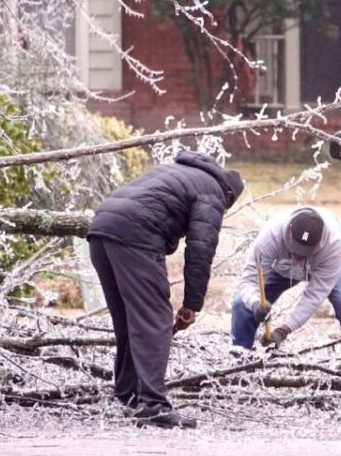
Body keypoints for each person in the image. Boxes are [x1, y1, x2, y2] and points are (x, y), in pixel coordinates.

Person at [86, 150, 243, 429]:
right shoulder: (213, 192)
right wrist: (192, 304)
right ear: (229, 196)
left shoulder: (176, 171)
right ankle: (153, 405)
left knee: (128, 320)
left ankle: (126, 396)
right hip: (135, 234)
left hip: (101, 228)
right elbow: (200, 249)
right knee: (156, 319)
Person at [230, 207, 341, 372]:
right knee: (242, 304)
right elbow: (249, 281)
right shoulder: (271, 236)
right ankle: (240, 368)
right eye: (296, 251)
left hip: (326, 263)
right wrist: (255, 303)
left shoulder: (333, 244)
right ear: (289, 233)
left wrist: (284, 330)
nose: (299, 257)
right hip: (284, 265)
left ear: (319, 242)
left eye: (305, 254)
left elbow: (314, 296)